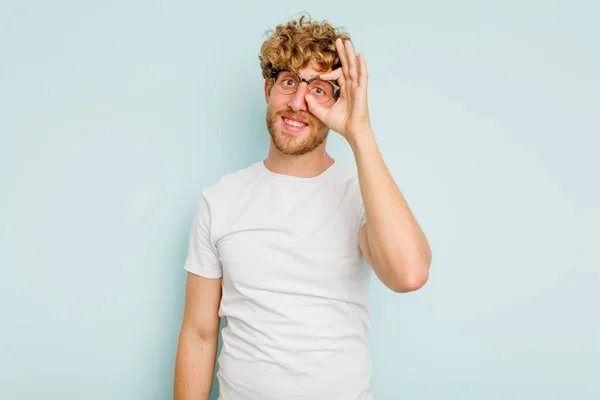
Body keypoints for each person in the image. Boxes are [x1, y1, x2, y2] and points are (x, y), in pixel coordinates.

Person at [174, 15, 432, 400]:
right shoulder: (220, 200)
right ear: (268, 89)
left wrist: (359, 131)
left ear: (339, 101)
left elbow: (409, 275)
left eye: (319, 90)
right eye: (290, 82)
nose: (298, 103)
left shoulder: (362, 196)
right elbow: (198, 333)